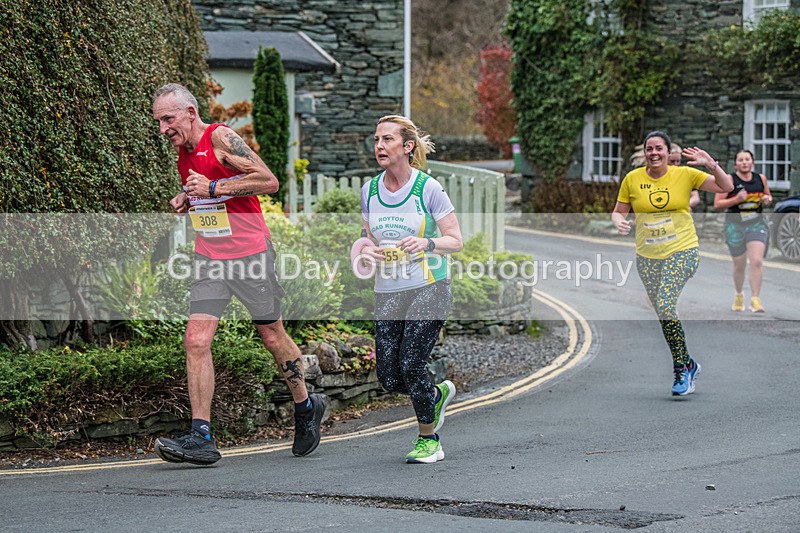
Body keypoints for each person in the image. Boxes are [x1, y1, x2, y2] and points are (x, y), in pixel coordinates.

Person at [151, 83, 324, 465]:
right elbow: (208, 196)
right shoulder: (183, 150)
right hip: (210, 257)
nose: (163, 129)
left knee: (271, 334)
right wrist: (189, 198)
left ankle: (306, 406)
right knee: (196, 339)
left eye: (168, 119)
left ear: (191, 113)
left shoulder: (221, 138)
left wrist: (212, 185)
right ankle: (201, 436)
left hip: (250, 255)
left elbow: (268, 180)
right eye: (159, 122)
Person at [358, 115, 463, 463]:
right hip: (388, 289)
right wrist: (367, 249)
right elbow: (366, 237)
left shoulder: (427, 188)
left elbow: (455, 241)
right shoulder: (370, 190)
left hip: (428, 286)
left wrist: (427, 243)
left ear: (407, 147)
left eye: (387, 139)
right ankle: (435, 394)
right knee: (389, 376)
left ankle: (429, 440)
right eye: (376, 140)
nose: (379, 146)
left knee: (413, 363)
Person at [612, 131, 733, 396]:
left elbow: (726, 187)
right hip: (647, 257)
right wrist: (618, 221)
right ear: (645, 153)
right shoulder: (632, 179)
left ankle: (680, 368)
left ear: (668, 152)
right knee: (664, 313)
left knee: (666, 303)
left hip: (683, 250)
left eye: (659, 149)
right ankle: (689, 363)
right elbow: (619, 210)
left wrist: (711, 164)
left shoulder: (684, 175)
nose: (654, 153)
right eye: (649, 149)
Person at [713, 149, 772, 312]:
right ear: (736, 163)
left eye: (747, 159)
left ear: (752, 162)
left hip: (756, 224)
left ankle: (755, 299)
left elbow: (767, 196)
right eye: (741, 160)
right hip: (735, 226)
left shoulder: (760, 179)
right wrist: (736, 199)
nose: (744, 162)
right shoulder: (729, 180)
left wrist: (767, 199)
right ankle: (739, 294)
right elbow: (717, 204)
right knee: (739, 265)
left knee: (757, 261)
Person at [668, 144, 701, 211]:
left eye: (678, 161)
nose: (675, 164)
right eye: (672, 161)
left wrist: (685, 206)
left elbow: (696, 197)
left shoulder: (684, 174)